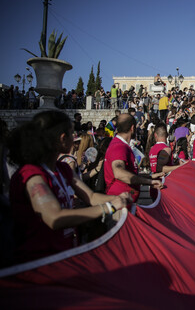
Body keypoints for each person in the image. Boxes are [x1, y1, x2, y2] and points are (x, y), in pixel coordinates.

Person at [6, 111, 132, 264]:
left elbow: (91, 197)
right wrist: (109, 206)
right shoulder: (31, 174)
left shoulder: (63, 169)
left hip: (64, 255)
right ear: (62, 138)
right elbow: (54, 217)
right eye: (72, 134)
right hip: (39, 262)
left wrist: (118, 198)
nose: (75, 139)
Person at [104, 113, 164, 203]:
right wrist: (149, 182)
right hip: (120, 204)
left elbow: (129, 173)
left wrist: (150, 177)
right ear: (132, 128)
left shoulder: (121, 145)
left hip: (125, 202)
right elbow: (119, 173)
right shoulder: (119, 146)